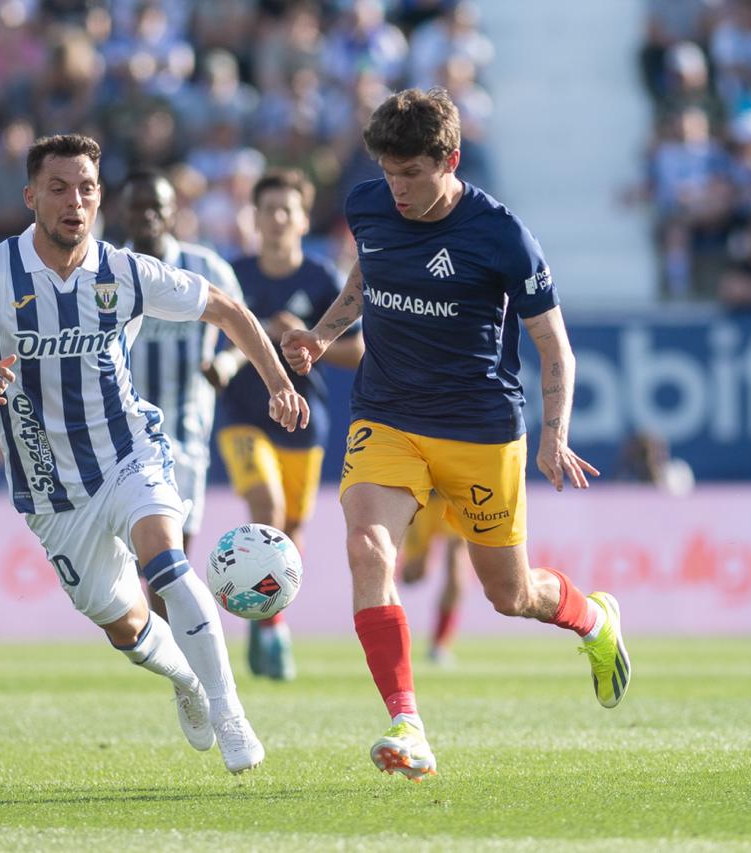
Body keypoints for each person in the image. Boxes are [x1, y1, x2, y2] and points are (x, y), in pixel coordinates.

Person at [0, 134, 309, 774]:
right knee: (124, 627)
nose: (75, 201)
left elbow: (228, 311)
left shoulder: (124, 271)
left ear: (99, 199)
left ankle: (231, 714)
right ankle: (188, 681)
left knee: (168, 564)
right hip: (50, 488)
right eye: (59, 188)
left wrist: (278, 383)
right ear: (31, 196)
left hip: (129, 452)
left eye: (87, 189)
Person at [282, 88, 631, 782]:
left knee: (511, 595)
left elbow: (555, 348)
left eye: (412, 173)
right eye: (389, 172)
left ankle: (594, 621)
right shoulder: (369, 205)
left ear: (451, 160)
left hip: (479, 430)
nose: (398, 188)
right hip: (386, 415)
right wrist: (321, 336)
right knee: (367, 548)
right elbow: (365, 278)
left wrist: (554, 435)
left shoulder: (502, 236)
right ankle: (406, 723)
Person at [216, 168, 364, 681]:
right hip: (244, 415)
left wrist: (308, 341)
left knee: (292, 530)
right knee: (268, 508)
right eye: (268, 209)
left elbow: (356, 351)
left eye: (288, 210)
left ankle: (268, 621)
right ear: (254, 218)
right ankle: (268, 624)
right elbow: (214, 335)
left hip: (303, 421)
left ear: (303, 220)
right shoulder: (232, 275)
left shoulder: (322, 279)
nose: (278, 218)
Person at [119, 168, 244, 616]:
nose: (147, 216)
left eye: (157, 206)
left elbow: (244, 331)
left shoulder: (206, 268)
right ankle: (164, 644)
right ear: (123, 213)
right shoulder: (104, 271)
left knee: (169, 566)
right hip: (121, 440)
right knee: (136, 569)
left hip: (186, 436)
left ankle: (173, 650)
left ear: (174, 212)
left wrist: (227, 363)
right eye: (138, 207)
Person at [397, 492, 466, 667]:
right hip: (424, 497)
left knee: (456, 564)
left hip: (453, 496)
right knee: (413, 574)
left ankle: (439, 644)